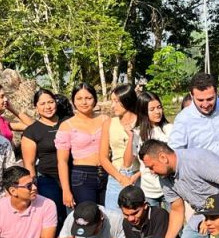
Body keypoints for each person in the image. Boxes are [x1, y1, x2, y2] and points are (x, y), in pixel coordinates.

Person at [168, 72, 219, 189]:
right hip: (207, 188)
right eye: (200, 100)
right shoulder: (183, 119)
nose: (205, 104)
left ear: (216, 93)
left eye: (210, 99)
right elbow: (175, 156)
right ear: (191, 95)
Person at [22, 88, 69, 227]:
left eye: (50, 102)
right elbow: (29, 164)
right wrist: (32, 185)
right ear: (36, 106)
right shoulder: (32, 131)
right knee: (56, 215)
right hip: (48, 179)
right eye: (42, 104)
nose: (47, 107)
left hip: (73, 175)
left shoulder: (68, 122)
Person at [56, 83, 106, 208]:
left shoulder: (105, 119)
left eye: (88, 98)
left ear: (95, 99)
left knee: (110, 215)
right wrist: (66, 191)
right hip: (82, 176)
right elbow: (62, 161)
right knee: (88, 217)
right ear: (73, 101)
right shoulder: (67, 125)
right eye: (79, 98)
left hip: (107, 173)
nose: (84, 102)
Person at [100, 83, 140, 214]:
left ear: (127, 100)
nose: (112, 106)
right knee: (113, 218)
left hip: (138, 176)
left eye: (116, 101)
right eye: (112, 101)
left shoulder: (142, 122)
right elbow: (103, 157)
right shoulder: (109, 123)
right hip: (116, 176)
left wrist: (136, 176)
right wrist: (120, 178)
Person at [126, 90, 170, 208]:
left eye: (159, 107)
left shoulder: (169, 129)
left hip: (169, 187)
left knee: (174, 224)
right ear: (143, 112)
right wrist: (130, 138)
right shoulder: (137, 133)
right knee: (153, 224)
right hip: (148, 190)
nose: (157, 112)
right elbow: (128, 163)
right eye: (152, 109)